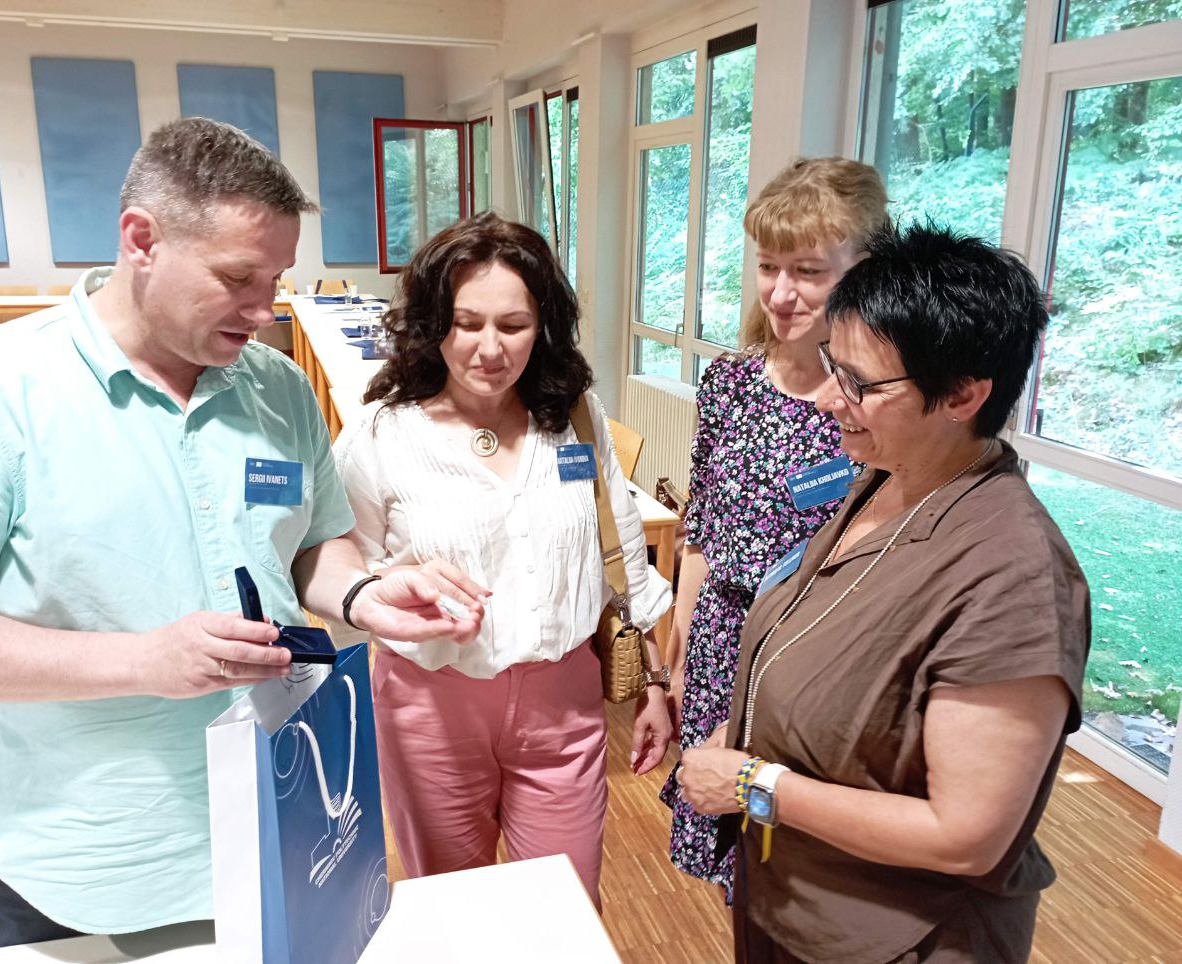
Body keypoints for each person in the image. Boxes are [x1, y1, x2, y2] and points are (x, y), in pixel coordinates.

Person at [0, 118, 483, 949]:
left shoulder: (278, 388)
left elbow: (313, 544)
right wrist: (141, 661)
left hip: (286, 831)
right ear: (141, 240)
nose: (266, 308)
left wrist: (364, 592)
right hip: (81, 865)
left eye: (276, 278)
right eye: (238, 277)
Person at [678, 223, 1091, 962]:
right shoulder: (885, 478)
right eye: (834, 367)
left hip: (901, 939)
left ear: (962, 394)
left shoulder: (1013, 577)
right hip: (791, 903)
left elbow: (964, 836)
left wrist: (753, 785)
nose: (831, 400)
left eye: (861, 384)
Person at [333, 211, 674, 907]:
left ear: (542, 325)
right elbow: (345, 567)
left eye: (513, 325)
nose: (490, 349)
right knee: (455, 908)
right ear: (433, 323)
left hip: (563, 706)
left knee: (565, 912)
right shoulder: (382, 433)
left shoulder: (575, 417)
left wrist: (655, 682)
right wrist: (389, 584)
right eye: (467, 323)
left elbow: (621, 551)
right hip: (431, 705)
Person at [660, 157, 889, 897]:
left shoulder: (875, 401)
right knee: (731, 849)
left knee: (793, 858)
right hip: (725, 641)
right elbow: (703, 526)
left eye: (808, 272)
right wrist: (682, 652)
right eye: (768, 267)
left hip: (817, 657)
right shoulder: (729, 383)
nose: (782, 293)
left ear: (863, 270)